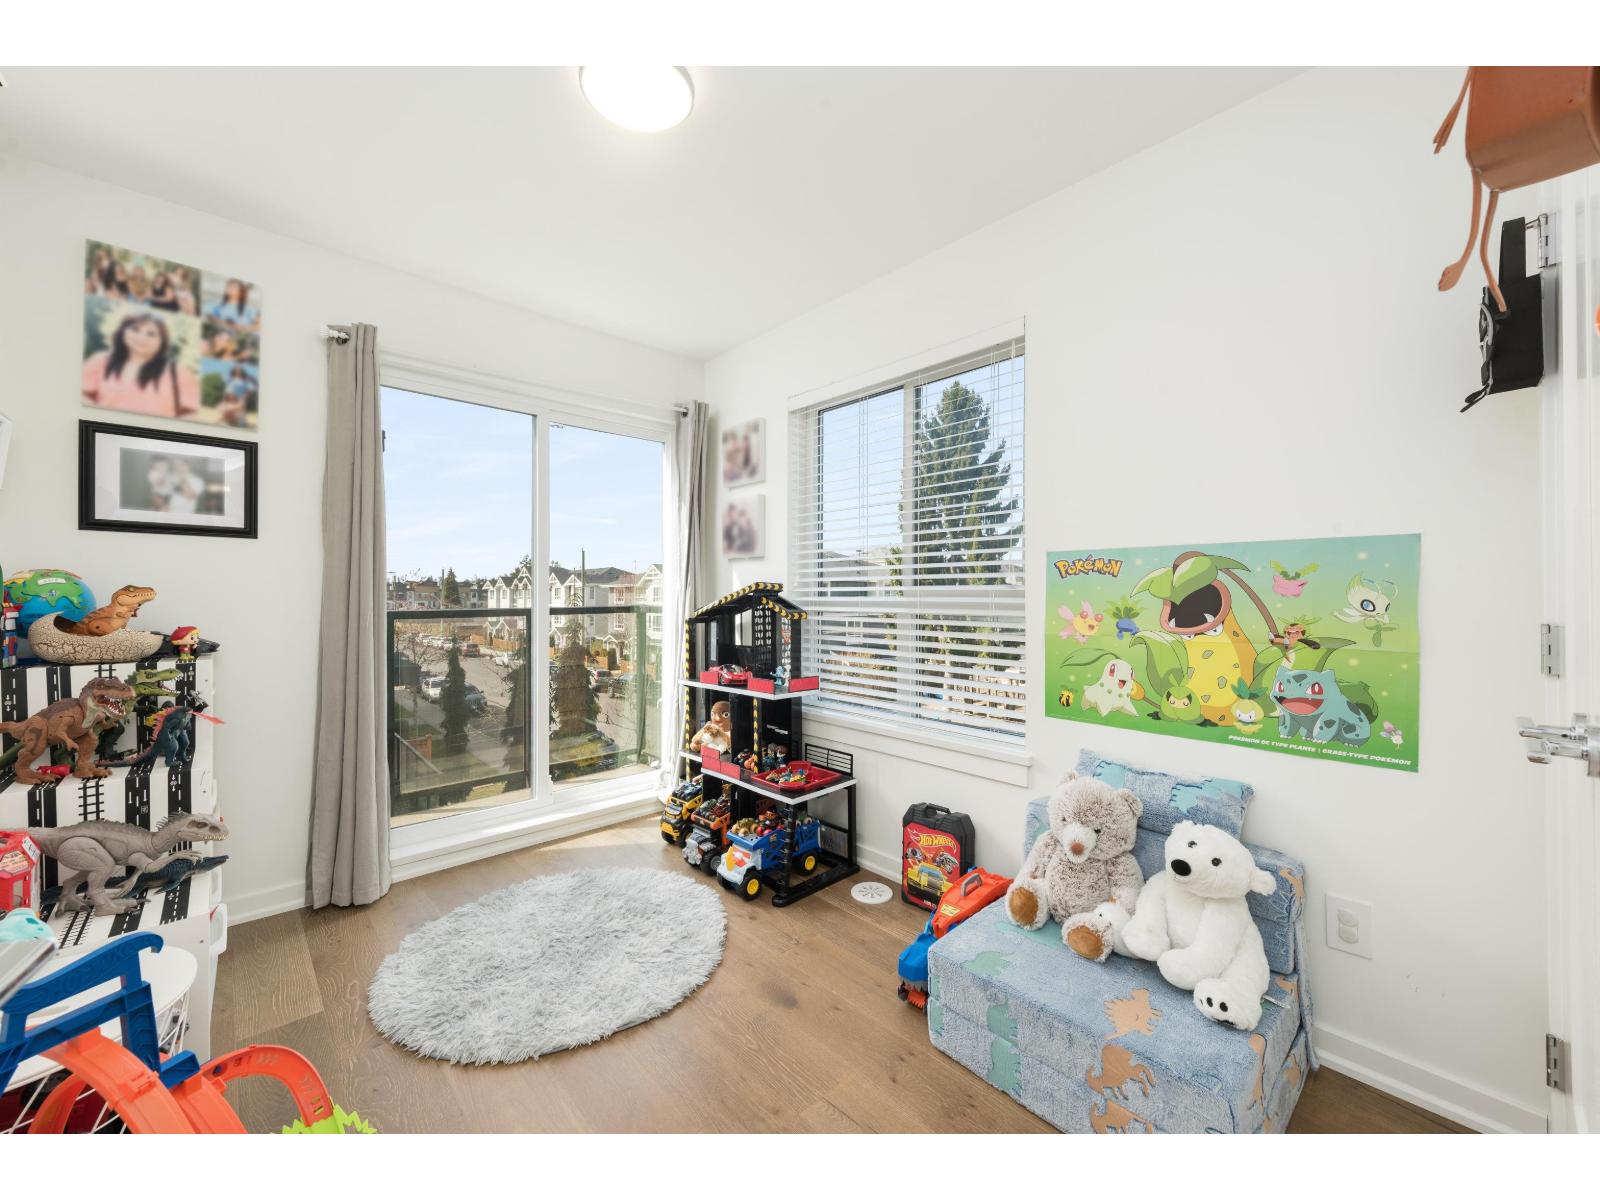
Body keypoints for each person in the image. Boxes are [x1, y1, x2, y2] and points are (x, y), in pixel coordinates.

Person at [82, 312, 199, 418]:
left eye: (151, 334)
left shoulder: (178, 371)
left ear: (162, 341)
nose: (141, 338)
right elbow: (81, 396)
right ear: (123, 332)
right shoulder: (100, 361)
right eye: (135, 329)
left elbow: (191, 413)